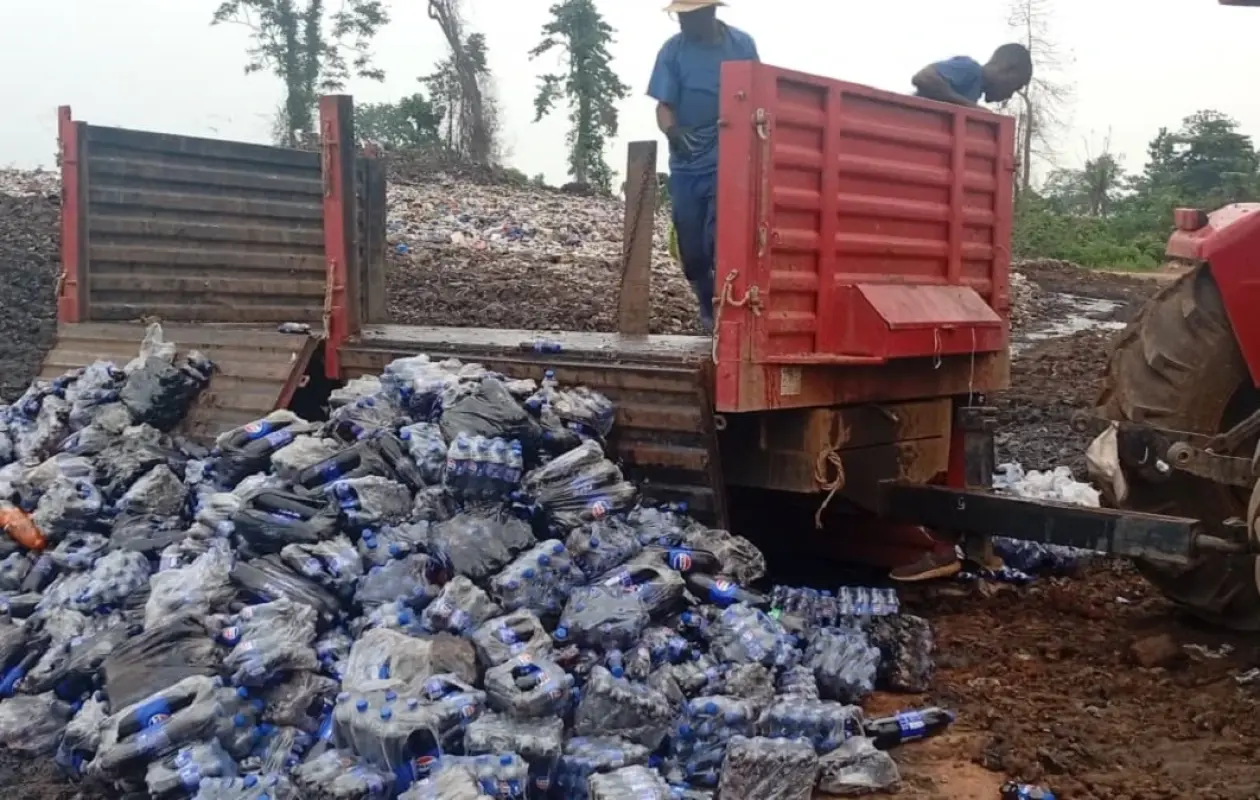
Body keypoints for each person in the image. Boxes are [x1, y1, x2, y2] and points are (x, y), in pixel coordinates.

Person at [648, 0, 759, 333]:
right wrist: (672, 131)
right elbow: (664, 106)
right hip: (687, 163)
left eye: (689, 16)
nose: (682, 23)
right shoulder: (673, 50)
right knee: (692, 247)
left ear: (709, 12)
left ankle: (723, 314)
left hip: (730, 157)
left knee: (720, 238)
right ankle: (705, 300)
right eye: (679, 17)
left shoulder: (741, 45)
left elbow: (759, 96)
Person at [911, 43, 1033, 108]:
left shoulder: (975, 90)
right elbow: (923, 77)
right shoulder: (971, 69)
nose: (1009, 95)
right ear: (1007, 69)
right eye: (1014, 87)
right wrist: (971, 107)